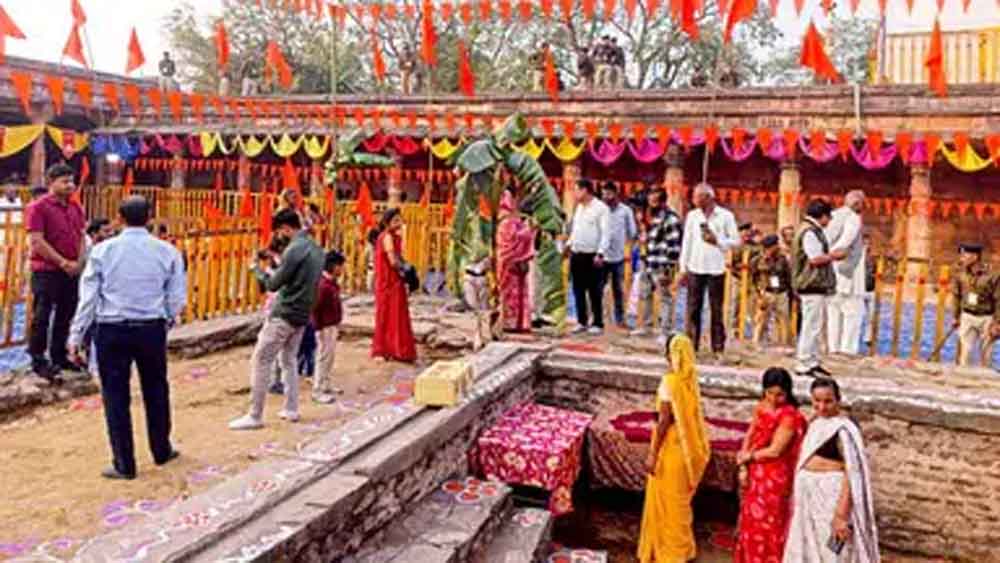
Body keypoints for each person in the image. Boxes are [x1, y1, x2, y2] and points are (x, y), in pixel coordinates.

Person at [67, 196, 186, 479]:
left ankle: (124, 463)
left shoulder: (102, 251)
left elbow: (88, 298)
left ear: (119, 219)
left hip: (111, 328)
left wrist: (76, 335)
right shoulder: (168, 252)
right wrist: (167, 319)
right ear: (150, 218)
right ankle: (161, 449)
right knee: (156, 388)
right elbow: (176, 298)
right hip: (150, 328)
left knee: (115, 395)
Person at [230, 209, 324, 430]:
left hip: (285, 312)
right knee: (289, 360)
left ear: (286, 228)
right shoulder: (316, 249)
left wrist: (256, 270)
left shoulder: (294, 249)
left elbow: (273, 284)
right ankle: (291, 408)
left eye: (280, 232)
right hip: (302, 313)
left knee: (261, 359)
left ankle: (255, 414)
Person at [783, 378, 880, 563]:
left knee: (834, 552)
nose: (822, 406)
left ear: (838, 400)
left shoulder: (844, 430)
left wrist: (841, 515)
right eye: (817, 401)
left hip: (831, 502)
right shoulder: (816, 423)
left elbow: (852, 474)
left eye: (828, 401)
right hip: (810, 503)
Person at [637, 333, 710, 563]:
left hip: (671, 450)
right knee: (680, 506)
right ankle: (682, 552)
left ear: (670, 355)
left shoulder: (670, 383)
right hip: (688, 449)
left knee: (667, 506)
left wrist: (652, 454)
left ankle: (669, 555)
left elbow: (663, 422)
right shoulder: (690, 382)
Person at [734, 367, 807, 563]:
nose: (774, 399)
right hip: (755, 469)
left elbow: (775, 450)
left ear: (788, 393)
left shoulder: (789, 416)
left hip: (775, 477)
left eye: (779, 394)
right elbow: (750, 434)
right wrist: (743, 465)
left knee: (770, 523)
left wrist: (748, 457)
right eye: (770, 393)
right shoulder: (762, 407)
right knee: (751, 520)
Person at [26, 164, 87, 380]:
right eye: (65, 181)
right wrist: (62, 262)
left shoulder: (76, 207)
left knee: (66, 313)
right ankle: (38, 359)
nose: (70, 185)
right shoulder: (38, 207)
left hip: (71, 270)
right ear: (51, 182)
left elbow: (81, 236)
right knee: (42, 315)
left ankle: (59, 355)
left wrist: (79, 262)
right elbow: (37, 241)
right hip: (46, 270)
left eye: (72, 181)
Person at [677, 183, 740, 356]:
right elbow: (687, 242)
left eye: (697, 196)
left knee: (716, 309)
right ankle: (692, 345)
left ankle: (718, 347)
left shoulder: (725, 216)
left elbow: (736, 241)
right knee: (693, 308)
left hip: (716, 268)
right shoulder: (692, 216)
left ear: (708, 197)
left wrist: (717, 240)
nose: (694, 200)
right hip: (695, 266)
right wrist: (683, 268)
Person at [631, 188, 683, 345]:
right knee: (644, 294)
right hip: (647, 261)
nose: (651, 204)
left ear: (662, 202)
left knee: (664, 297)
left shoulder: (670, 219)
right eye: (650, 201)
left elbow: (674, 247)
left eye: (655, 201)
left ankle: (665, 330)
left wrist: (669, 269)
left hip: (662, 263)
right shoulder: (649, 218)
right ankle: (646, 326)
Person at [793, 199, 837, 377]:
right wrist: (834, 256)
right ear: (823, 216)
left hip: (813, 284)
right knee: (811, 325)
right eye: (828, 217)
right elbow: (815, 258)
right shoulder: (809, 232)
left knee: (815, 325)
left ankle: (813, 360)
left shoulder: (810, 230)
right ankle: (804, 362)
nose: (829, 221)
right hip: (811, 283)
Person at [371, 208, 417, 362]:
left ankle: (397, 349)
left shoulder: (395, 237)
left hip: (394, 281)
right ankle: (385, 349)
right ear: (387, 222)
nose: (399, 223)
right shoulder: (387, 237)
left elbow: (399, 257)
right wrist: (406, 272)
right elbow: (393, 261)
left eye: (400, 220)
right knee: (387, 315)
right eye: (396, 220)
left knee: (396, 315)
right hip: (388, 281)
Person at [566, 179, 611, 335]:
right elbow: (576, 229)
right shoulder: (579, 207)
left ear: (585, 190)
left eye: (576, 190)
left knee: (594, 290)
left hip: (592, 255)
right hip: (576, 252)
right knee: (577, 289)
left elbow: (606, 233)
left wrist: (600, 253)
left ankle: (597, 322)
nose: (574, 193)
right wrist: (569, 244)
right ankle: (581, 321)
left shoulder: (601, 208)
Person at [825, 191, 867, 356]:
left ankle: (833, 347)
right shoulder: (853, 218)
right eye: (862, 204)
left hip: (831, 271)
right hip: (848, 273)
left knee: (833, 313)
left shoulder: (833, 216)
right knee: (853, 312)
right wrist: (835, 252)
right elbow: (847, 240)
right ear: (857, 204)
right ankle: (847, 349)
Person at [950, 243, 1000, 367]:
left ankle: (984, 377)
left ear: (975, 256)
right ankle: (963, 377)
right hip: (967, 316)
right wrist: (955, 316)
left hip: (986, 317)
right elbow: (956, 296)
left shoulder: (992, 275)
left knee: (986, 355)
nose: (961, 258)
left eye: (964, 255)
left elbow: (998, 299)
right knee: (965, 354)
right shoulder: (959, 273)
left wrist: (997, 322)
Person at [599, 182, 638, 329]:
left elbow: (632, 233)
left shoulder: (626, 211)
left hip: (619, 257)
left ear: (616, 194)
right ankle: (597, 318)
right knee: (597, 289)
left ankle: (620, 320)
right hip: (600, 256)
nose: (605, 197)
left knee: (618, 291)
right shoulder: (599, 209)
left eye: (608, 194)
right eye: (603, 194)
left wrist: (629, 252)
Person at [498, 191, 535, 333]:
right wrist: (529, 230)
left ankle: (514, 322)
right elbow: (512, 239)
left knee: (515, 292)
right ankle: (513, 323)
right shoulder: (508, 220)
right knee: (513, 293)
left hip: (509, 260)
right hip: (512, 260)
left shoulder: (507, 218)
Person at [312, 250, 345, 404]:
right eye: (340, 266)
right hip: (324, 327)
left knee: (329, 357)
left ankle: (326, 384)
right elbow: (315, 308)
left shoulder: (332, 284)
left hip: (332, 325)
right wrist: (318, 328)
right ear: (333, 266)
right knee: (323, 357)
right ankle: (317, 389)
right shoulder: (323, 286)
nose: (342, 269)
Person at [750, 234, 792, 347]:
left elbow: (788, 276)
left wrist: (790, 292)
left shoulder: (782, 259)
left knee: (783, 319)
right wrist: (758, 294)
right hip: (766, 292)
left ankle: (784, 343)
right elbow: (753, 278)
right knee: (761, 319)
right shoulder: (757, 260)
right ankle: (757, 342)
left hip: (781, 292)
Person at [730, 222, 761, 339]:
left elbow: (760, 259)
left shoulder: (756, 247)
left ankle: (754, 330)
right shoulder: (735, 246)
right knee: (736, 304)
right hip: (738, 279)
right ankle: (735, 328)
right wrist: (738, 268)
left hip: (752, 279)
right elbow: (730, 262)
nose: (746, 234)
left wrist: (751, 266)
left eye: (749, 232)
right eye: (744, 232)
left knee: (753, 305)